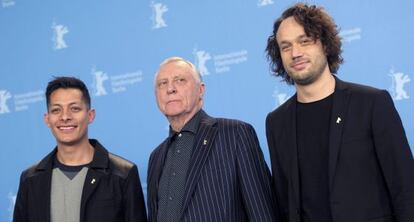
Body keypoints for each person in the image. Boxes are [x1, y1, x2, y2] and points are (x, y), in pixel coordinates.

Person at [265, 3, 414, 222]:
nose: (295, 53)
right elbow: (284, 203)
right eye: (285, 46)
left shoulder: (371, 104)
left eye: (304, 41)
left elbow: (406, 190)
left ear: (325, 45)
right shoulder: (276, 122)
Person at [147, 57, 276, 222]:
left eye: (180, 80)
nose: (170, 88)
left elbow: (262, 213)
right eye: (162, 83)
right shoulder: (156, 157)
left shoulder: (235, 135)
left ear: (200, 90)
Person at [13, 77, 147, 222]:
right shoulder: (30, 180)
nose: (65, 117)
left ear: (90, 115)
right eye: (56, 110)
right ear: (47, 119)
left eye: (74, 109)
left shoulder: (123, 174)